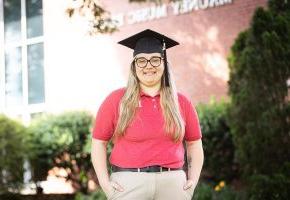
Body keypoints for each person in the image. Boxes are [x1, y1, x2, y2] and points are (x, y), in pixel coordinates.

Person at [91, 29, 204, 200]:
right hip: (127, 185)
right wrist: (105, 184)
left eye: (155, 59)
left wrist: (193, 180)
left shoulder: (181, 102)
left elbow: (195, 145)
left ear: (164, 63)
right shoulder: (115, 100)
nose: (148, 65)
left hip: (172, 186)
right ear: (134, 66)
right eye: (141, 60)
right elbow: (98, 144)